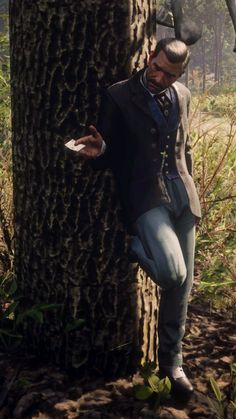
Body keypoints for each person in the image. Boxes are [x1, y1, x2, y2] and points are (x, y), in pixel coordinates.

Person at [74, 38, 201, 397]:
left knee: (183, 288)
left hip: (183, 195)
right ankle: (133, 245)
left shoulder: (184, 95)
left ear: (180, 74)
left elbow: (184, 146)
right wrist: (100, 151)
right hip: (145, 197)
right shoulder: (118, 95)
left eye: (169, 74)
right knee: (171, 273)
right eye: (157, 67)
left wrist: (192, 195)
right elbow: (109, 148)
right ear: (150, 57)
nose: (159, 77)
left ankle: (172, 364)